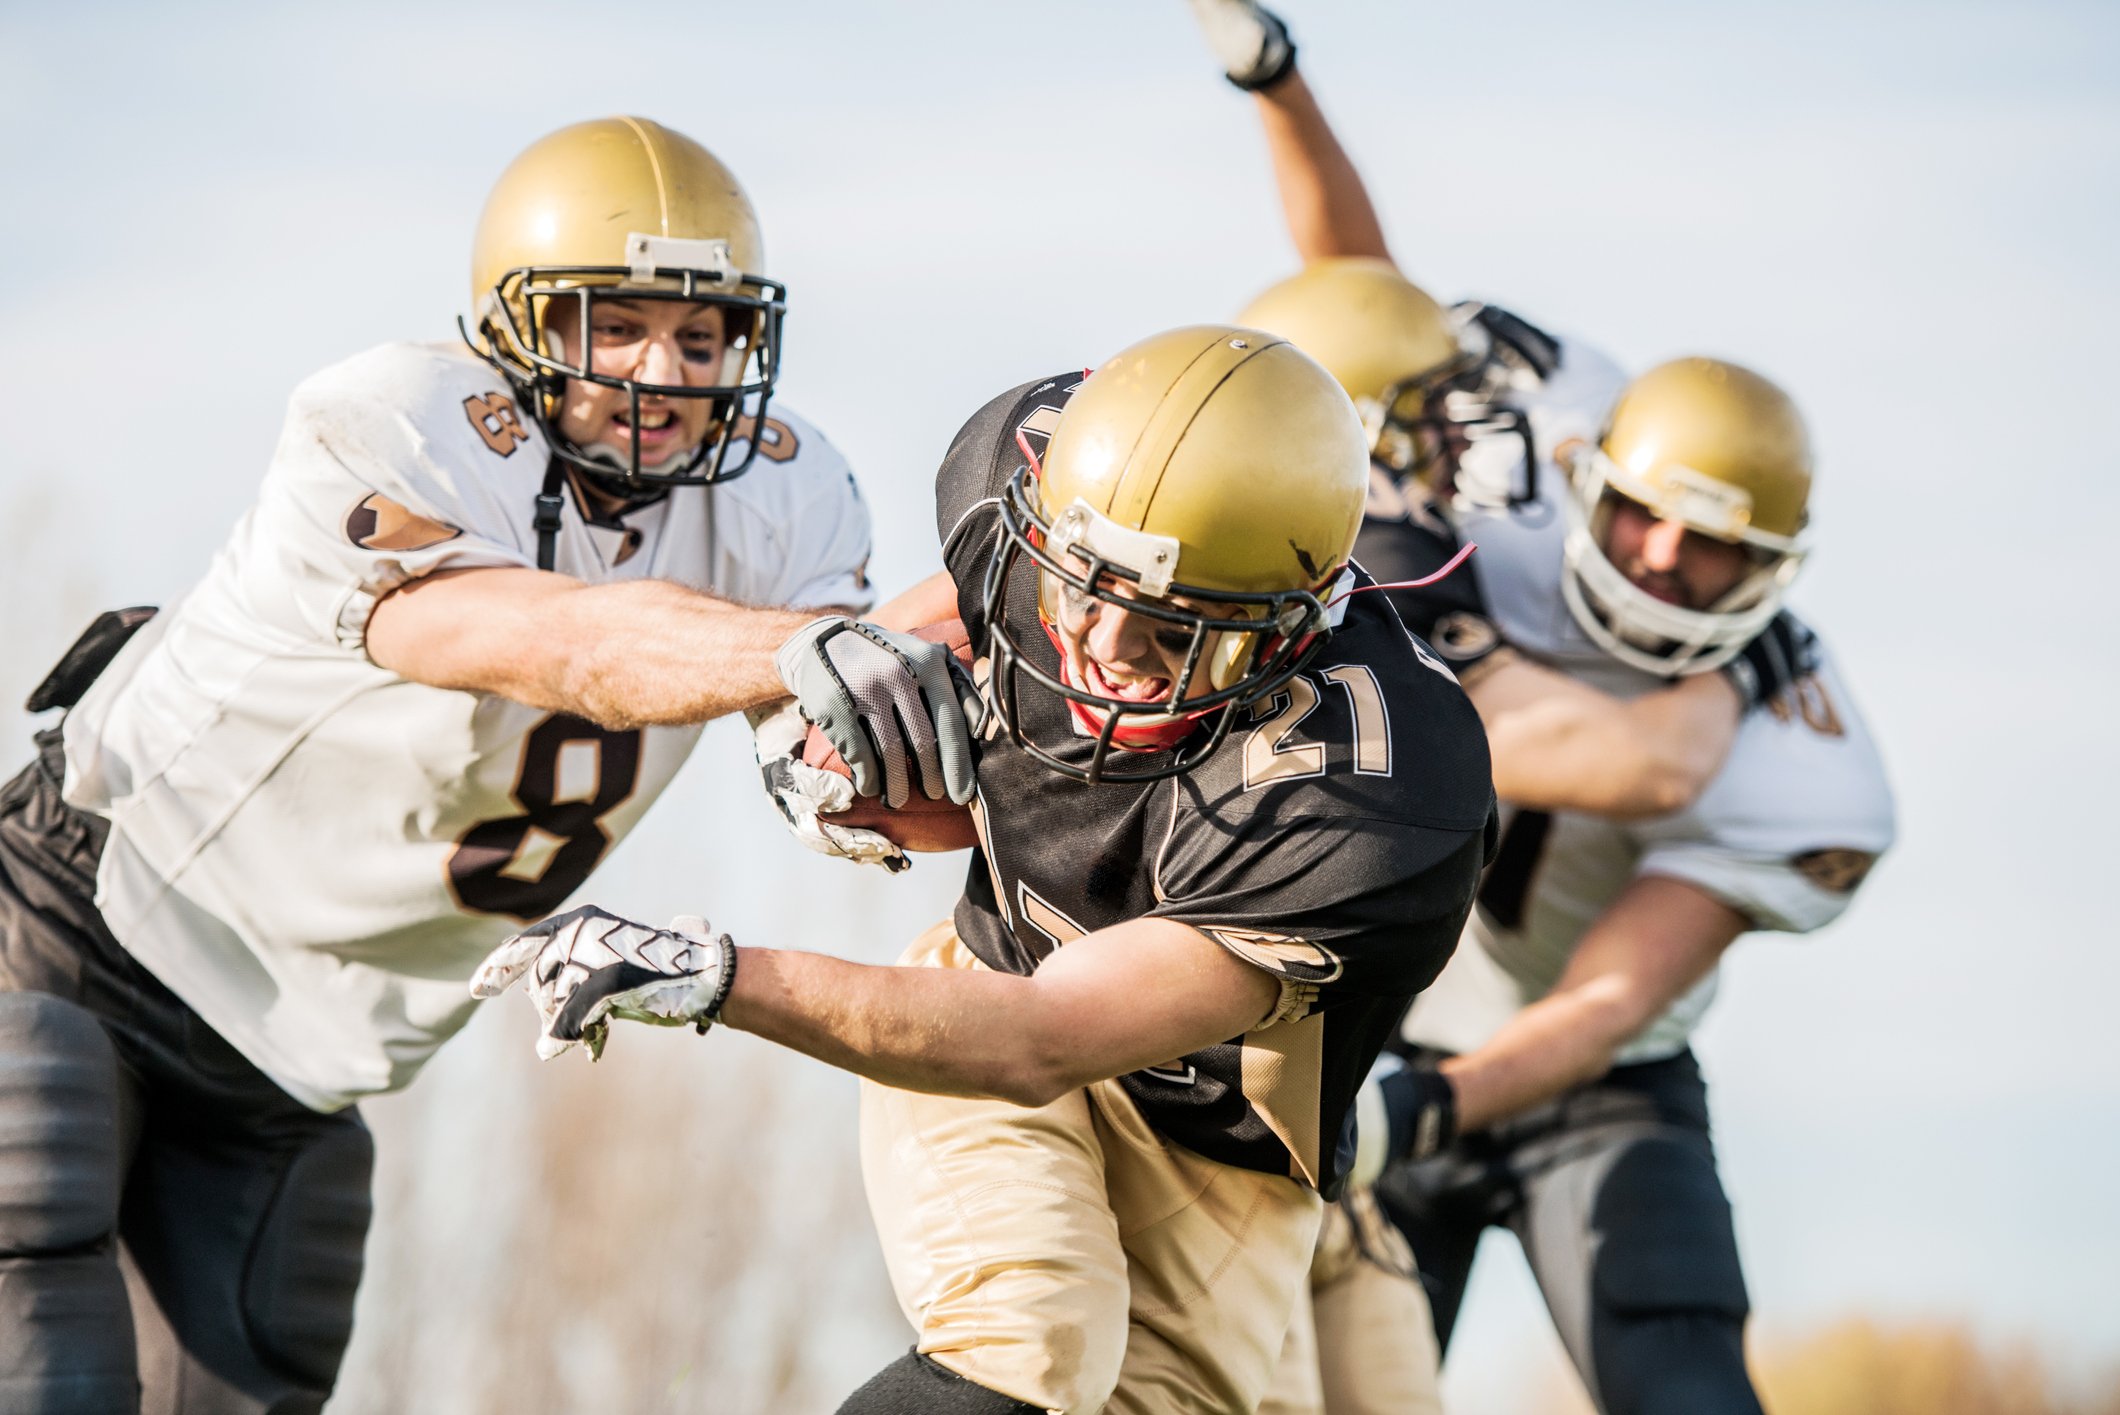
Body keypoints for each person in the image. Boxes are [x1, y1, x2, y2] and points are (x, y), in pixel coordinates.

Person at [0, 115, 974, 1414]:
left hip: (306, 1061)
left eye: (702, 335)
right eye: (614, 324)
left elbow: (834, 744)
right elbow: (538, 638)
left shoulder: (783, 498)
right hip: (88, 930)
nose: (662, 368)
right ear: (519, 326)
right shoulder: (397, 421)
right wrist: (806, 646)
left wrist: (935, 732)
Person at [473, 324, 1500, 1415]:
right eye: (1077, 584)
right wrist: (839, 692)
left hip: (1212, 1124)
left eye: (1164, 629)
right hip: (990, 974)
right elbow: (956, 600)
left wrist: (716, 971)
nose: (1097, 643)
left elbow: (1046, 1040)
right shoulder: (1029, 480)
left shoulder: (1381, 788)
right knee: (1028, 1334)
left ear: (1288, 622)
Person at [1191, 10, 1893, 1414]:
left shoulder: (1806, 758)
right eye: (1644, 520)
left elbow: (1618, 989)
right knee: (1282, 1390)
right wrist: (1280, 82)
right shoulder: (1499, 490)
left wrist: (1424, 1110)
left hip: (1593, 1080)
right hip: (1372, 1020)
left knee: (1684, 1383)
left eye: (1717, 551)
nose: (1663, 564)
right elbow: (1355, 303)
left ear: (1779, 571)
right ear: (1593, 474)